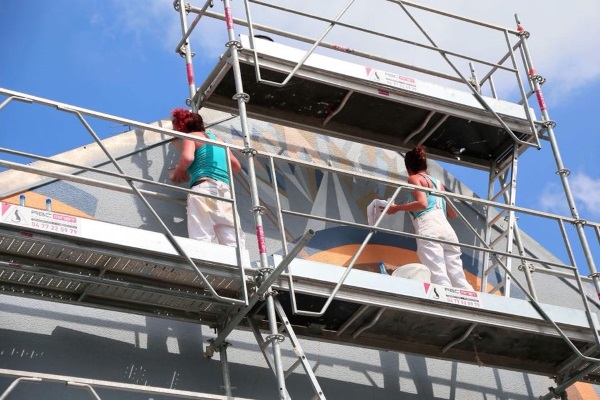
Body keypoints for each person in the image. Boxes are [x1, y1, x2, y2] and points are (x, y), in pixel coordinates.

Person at [386, 146, 473, 290]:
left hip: (429, 226)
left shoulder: (414, 178)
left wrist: (397, 208)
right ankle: (469, 298)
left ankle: (444, 302)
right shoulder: (439, 184)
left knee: (439, 275)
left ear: (408, 168)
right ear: (425, 165)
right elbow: (453, 214)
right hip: (447, 231)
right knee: (457, 275)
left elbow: (422, 203)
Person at [170, 108, 245, 248]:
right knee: (231, 236)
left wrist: (179, 170)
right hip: (224, 191)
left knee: (201, 233)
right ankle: (239, 266)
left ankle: (202, 263)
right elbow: (236, 166)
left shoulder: (191, 136)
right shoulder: (219, 140)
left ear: (181, 127)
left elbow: (188, 157)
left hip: (203, 188)